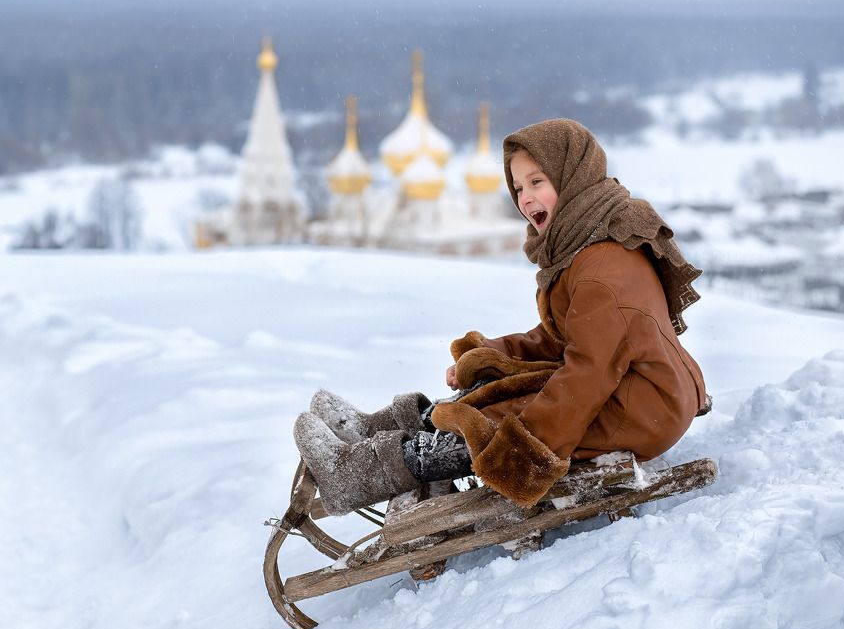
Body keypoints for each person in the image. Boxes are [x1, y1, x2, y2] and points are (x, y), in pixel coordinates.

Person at [294, 118, 709, 516]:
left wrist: (518, 452)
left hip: (640, 409)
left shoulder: (601, 271)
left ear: (572, 176)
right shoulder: (589, 239)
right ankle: (374, 431)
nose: (525, 199)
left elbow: (586, 378)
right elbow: (562, 338)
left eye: (537, 182)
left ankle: (357, 475)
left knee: (497, 423)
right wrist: (491, 355)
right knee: (498, 388)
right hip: (639, 389)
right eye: (518, 187)